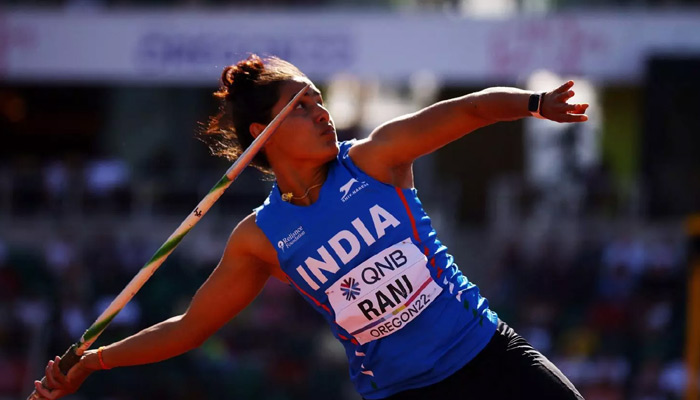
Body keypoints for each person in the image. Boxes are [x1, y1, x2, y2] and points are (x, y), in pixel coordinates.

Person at [35, 54, 588, 400]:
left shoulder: (376, 159)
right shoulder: (260, 238)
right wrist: (94, 361)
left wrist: (535, 102)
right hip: (403, 391)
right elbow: (189, 328)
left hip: (486, 353)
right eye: (302, 106)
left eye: (320, 100)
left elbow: (468, 111)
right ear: (264, 131)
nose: (323, 112)